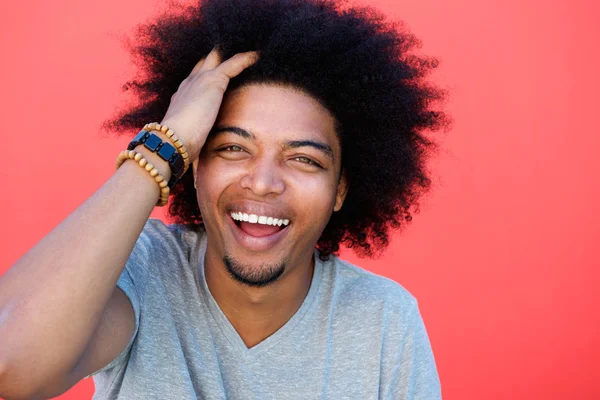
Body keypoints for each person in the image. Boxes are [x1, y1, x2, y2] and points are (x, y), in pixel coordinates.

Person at [0, 0, 450, 398]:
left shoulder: (384, 322)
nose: (263, 182)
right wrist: (160, 149)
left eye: (304, 159)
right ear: (193, 164)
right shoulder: (140, 269)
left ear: (341, 191)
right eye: (232, 148)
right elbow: (10, 368)